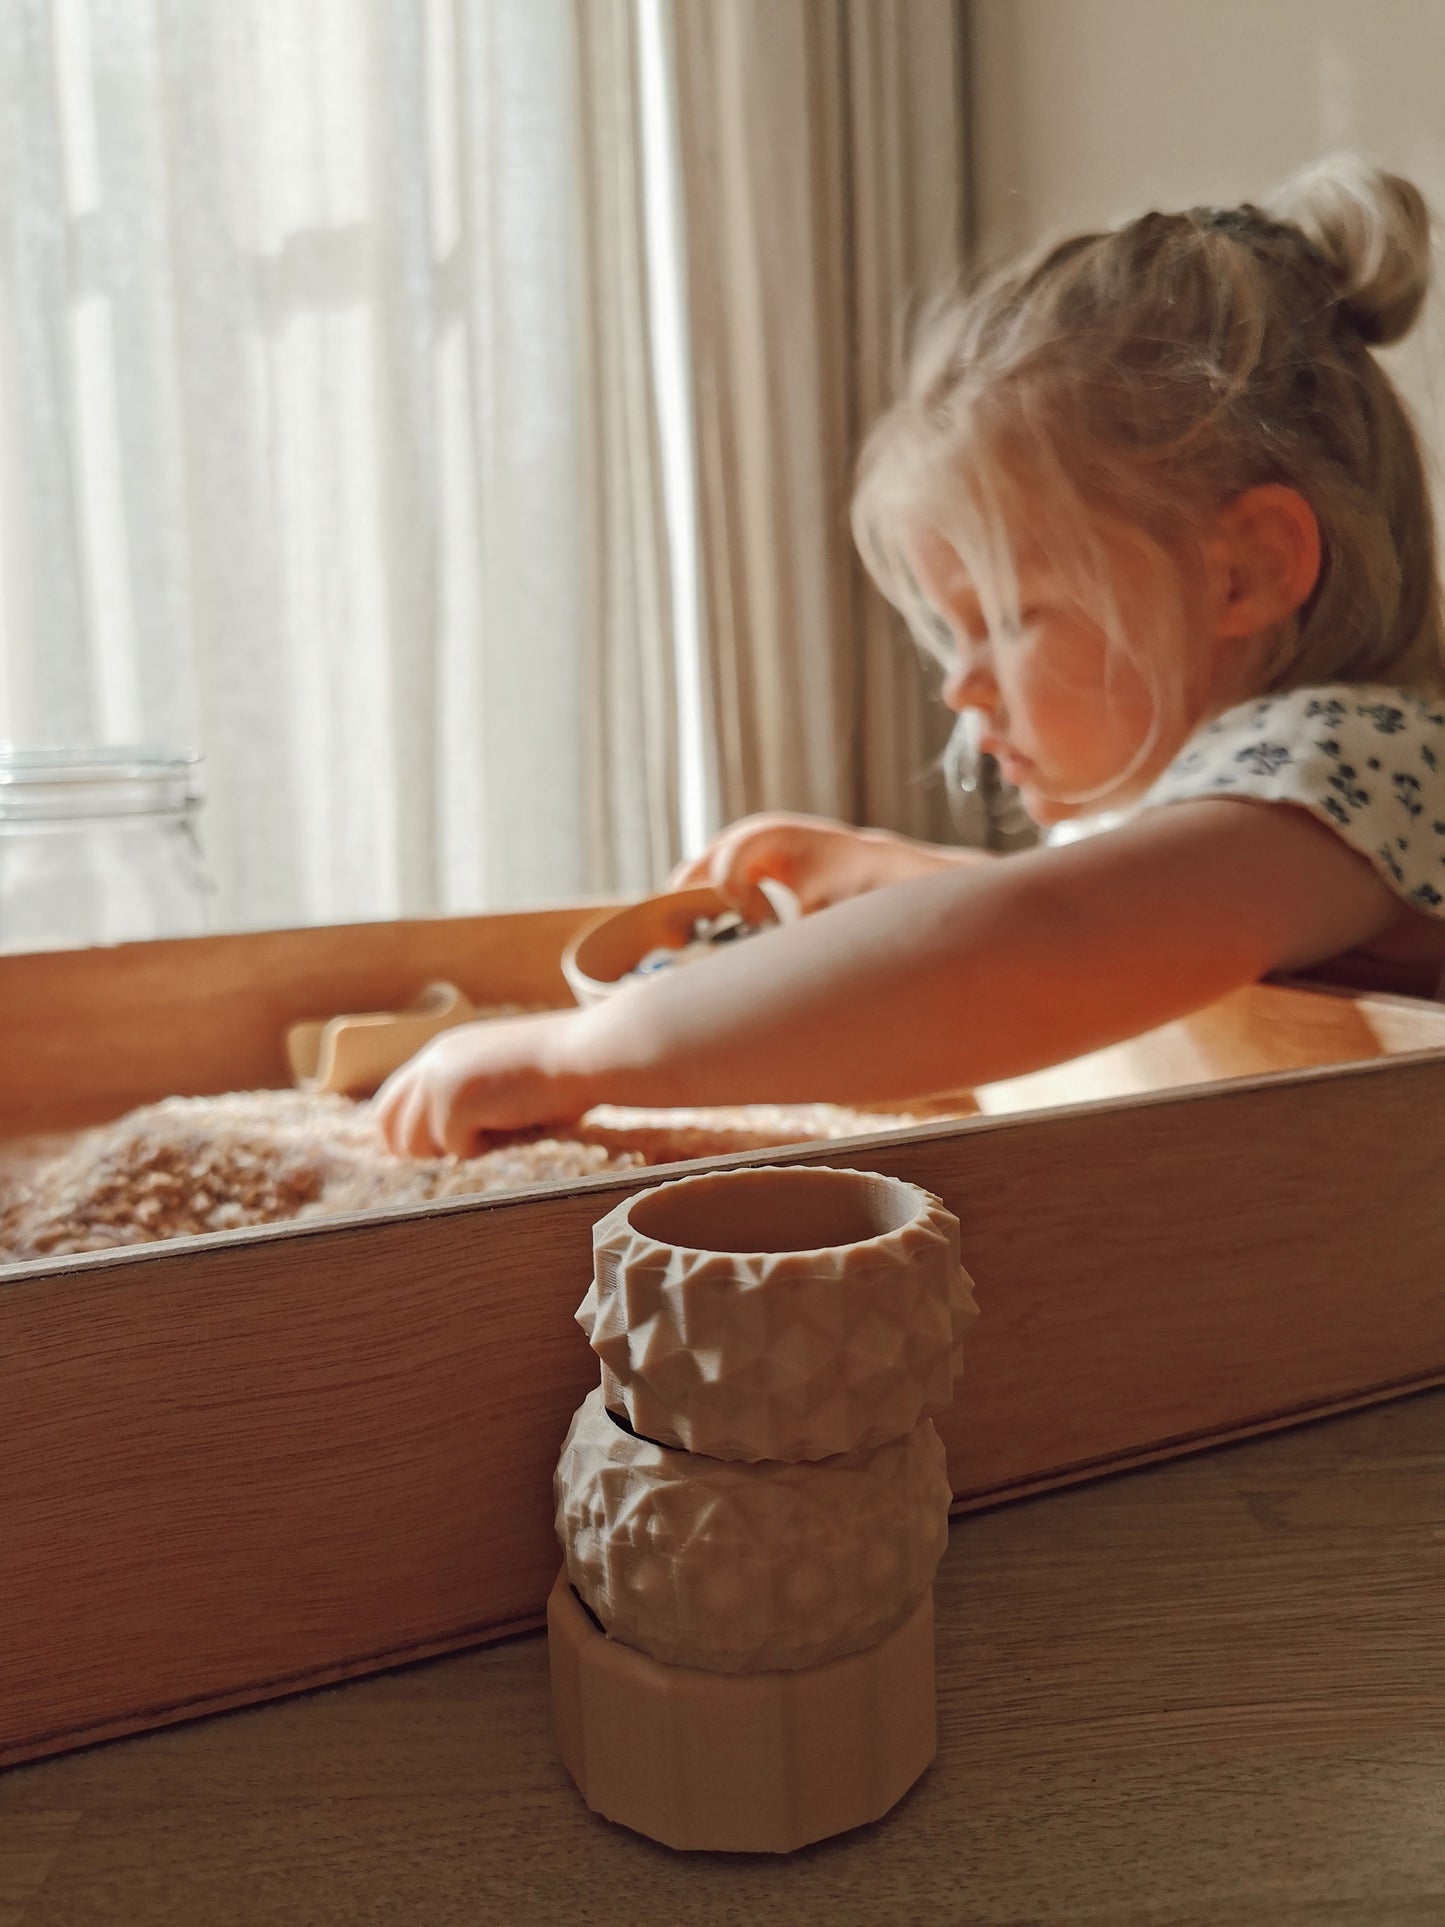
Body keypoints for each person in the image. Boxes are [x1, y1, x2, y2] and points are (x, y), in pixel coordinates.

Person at [377, 155, 1445, 1159]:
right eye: (952, 628)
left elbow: (1045, 946)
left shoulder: (1353, 760)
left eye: (1009, 617)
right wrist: (884, 872)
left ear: (1241, 574)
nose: (959, 683)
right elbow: (1112, 914)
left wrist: (575, 1052)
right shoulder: (1278, 813)